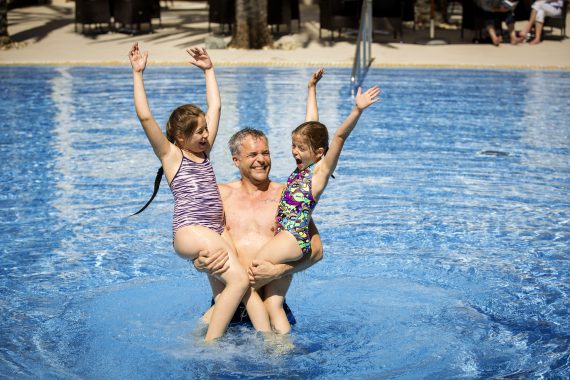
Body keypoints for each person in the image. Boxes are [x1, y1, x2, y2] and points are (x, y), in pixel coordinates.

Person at [128, 42, 268, 341]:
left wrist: (209, 70)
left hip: (213, 231)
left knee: (234, 289)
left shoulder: (203, 153)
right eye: (198, 132)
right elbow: (145, 117)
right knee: (240, 280)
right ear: (180, 138)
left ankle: (269, 340)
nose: (206, 135)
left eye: (206, 129)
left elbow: (216, 106)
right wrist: (138, 74)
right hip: (191, 230)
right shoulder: (172, 156)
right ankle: (211, 345)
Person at [195, 69, 326, 330]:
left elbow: (316, 251)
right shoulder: (220, 195)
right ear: (236, 161)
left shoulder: (286, 196)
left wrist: (279, 272)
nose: (261, 160)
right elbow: (198, 243)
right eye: (253, 154)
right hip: (225, 305)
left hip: (269, 306)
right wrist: (199, 263)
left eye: (265, 153)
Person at [246, 84, 382, 334]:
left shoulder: (318, 173)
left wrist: (357, 110)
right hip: (291, 238)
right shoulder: (303, 168)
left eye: (300, 148)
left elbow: (339, 137)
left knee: (250, 273)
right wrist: (311, 88)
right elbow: (311, 123)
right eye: (293, 145)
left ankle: (260, 336)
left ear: (319, 153)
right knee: (272, 302)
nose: (294, 151)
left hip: (292, 236)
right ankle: (282, 346)